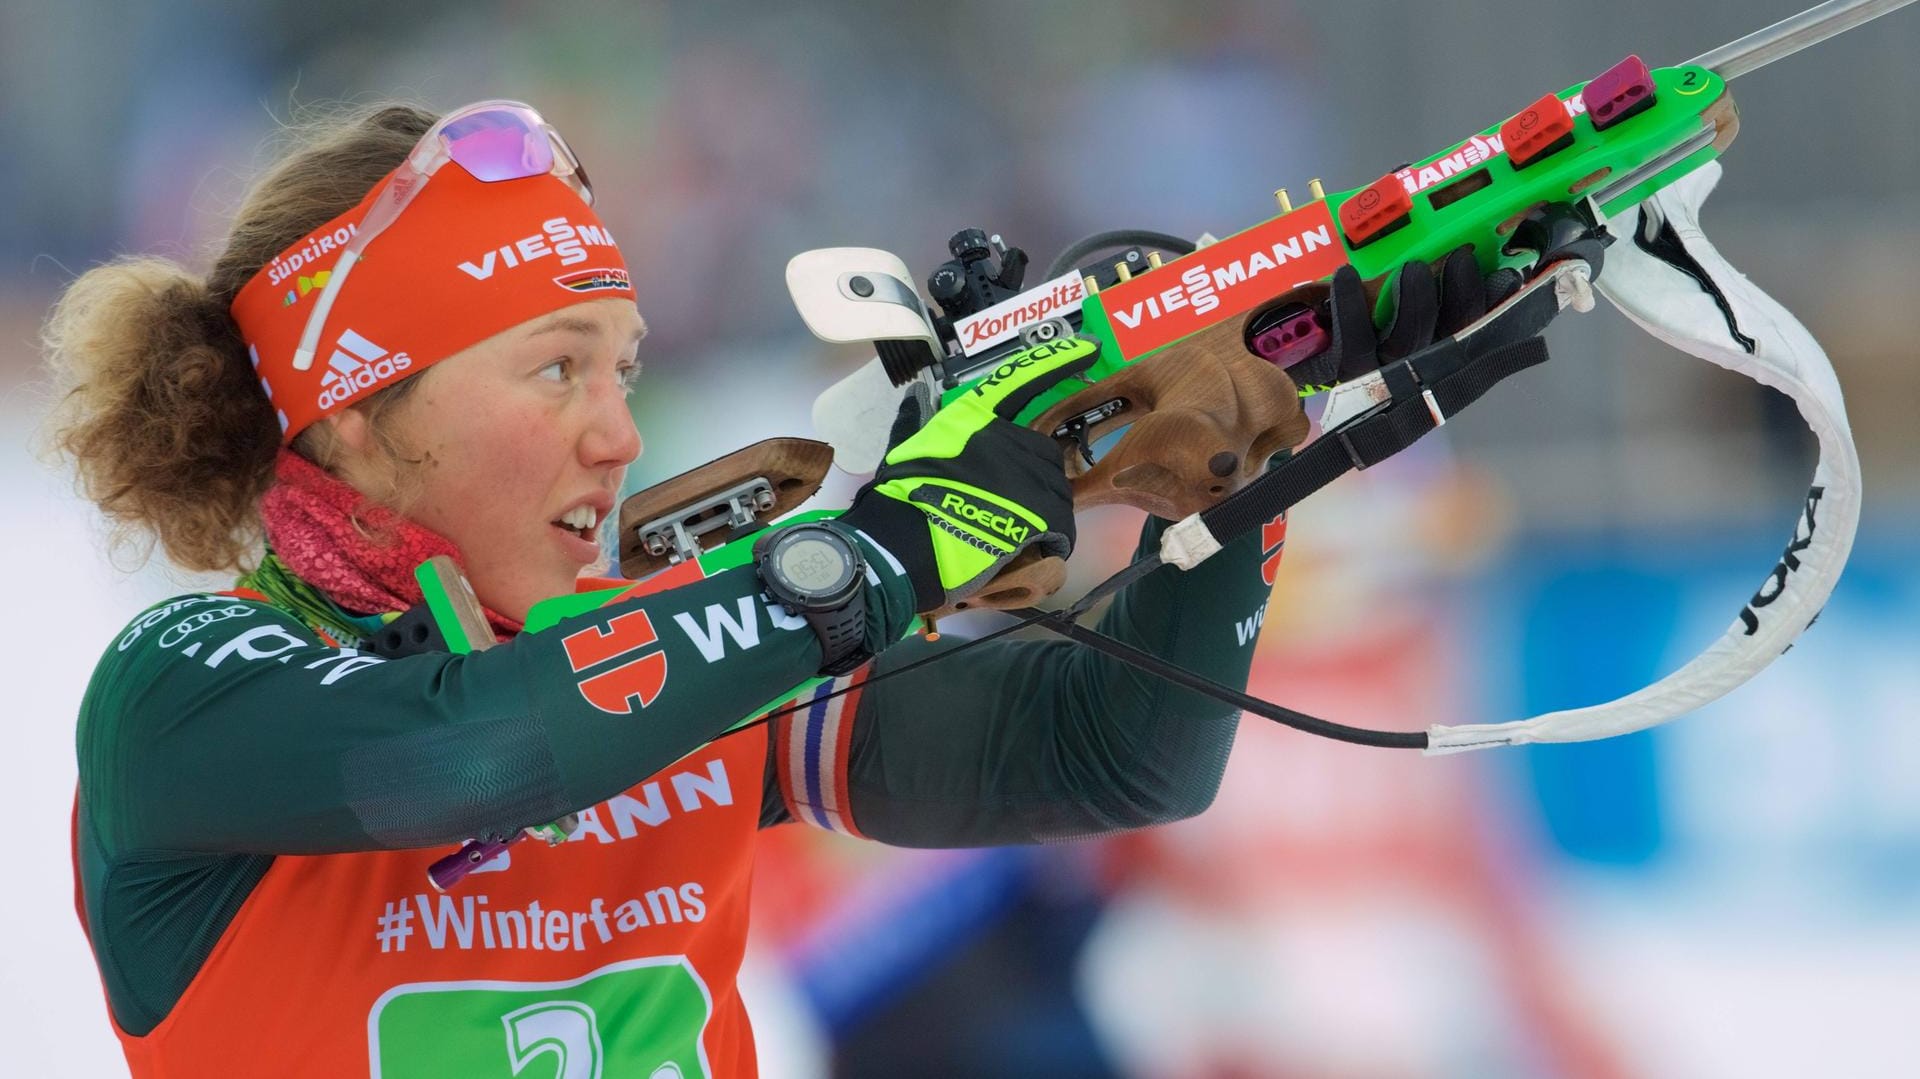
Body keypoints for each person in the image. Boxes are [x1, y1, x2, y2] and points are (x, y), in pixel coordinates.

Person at [44, 101, 1294, 1077]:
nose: (618, 436)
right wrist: (877, 558)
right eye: (554, 369)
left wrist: (1256, 459)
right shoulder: (182, 682)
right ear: (357, 413)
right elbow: (466, 753)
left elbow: (1117, 754)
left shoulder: (663, 651)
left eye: (621, 371)